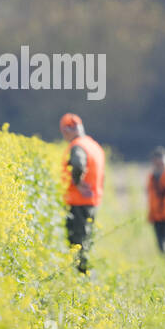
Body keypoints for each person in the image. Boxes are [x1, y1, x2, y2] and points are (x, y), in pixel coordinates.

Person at [60, 113, 105, 274]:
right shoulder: (94, 146)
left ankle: (83, 279)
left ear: (67, 130)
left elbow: (78, 164)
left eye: (63, 133)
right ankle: (85, 278)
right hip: (92, 201)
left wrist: (77, 182)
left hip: (78, 202)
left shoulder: (78, 146)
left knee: (77, 244)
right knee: (86, 241)